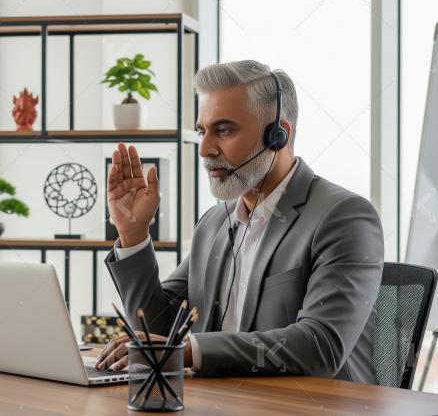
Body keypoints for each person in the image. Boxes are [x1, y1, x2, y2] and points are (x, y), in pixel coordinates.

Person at [94, 60, 384, 383]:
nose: (204, 148)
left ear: (278, 136)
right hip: (226, 403)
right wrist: (133, 234)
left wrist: (191, 350)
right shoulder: (215, 223)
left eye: (224, 130)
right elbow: (157, 332)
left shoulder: (344, 217)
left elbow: (320, 346)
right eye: (202, 131)